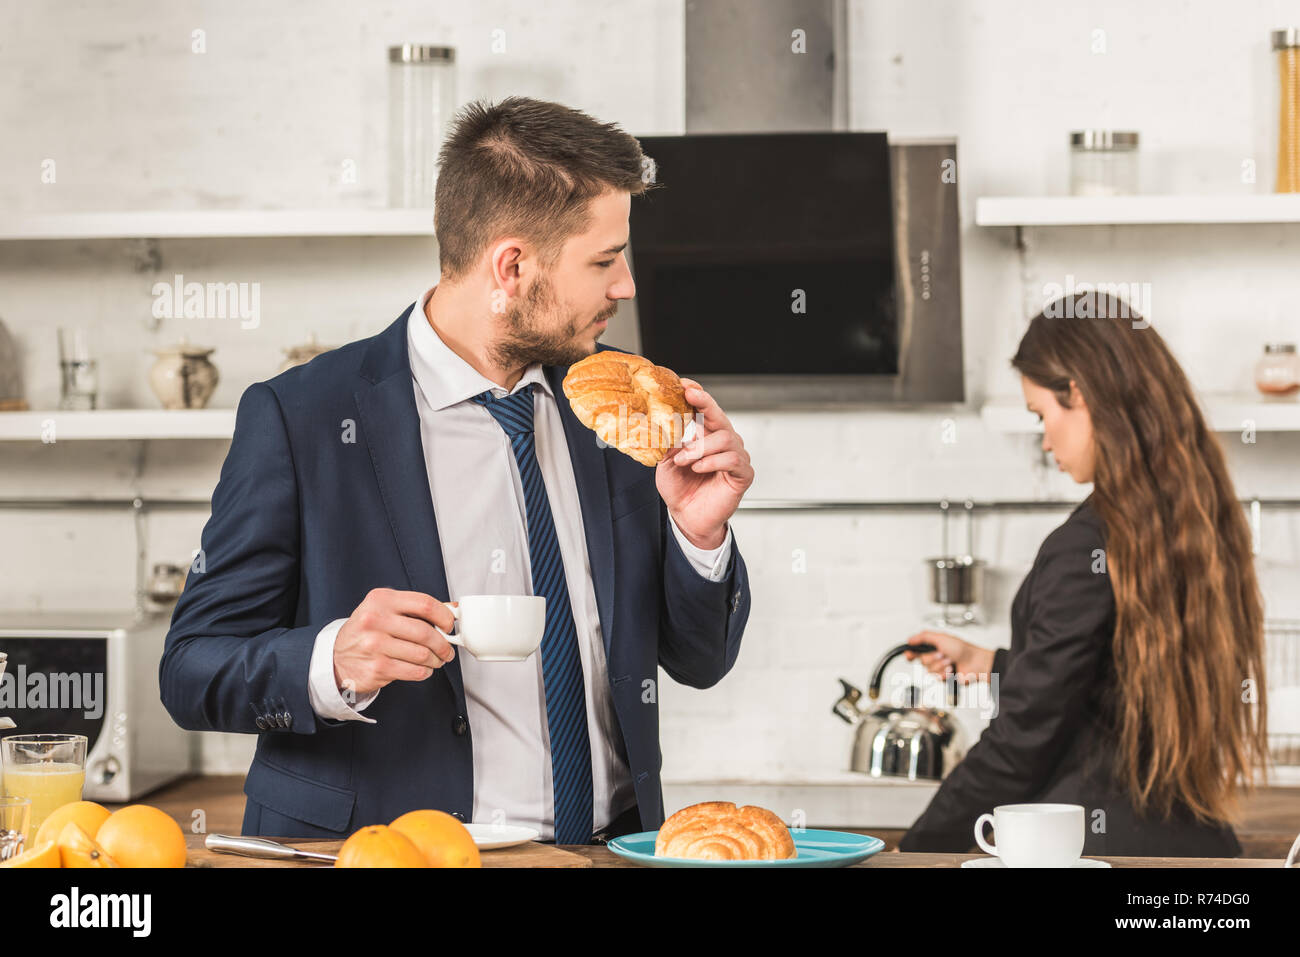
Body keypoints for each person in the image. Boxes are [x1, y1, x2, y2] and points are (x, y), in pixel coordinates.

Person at [158, 96, 755, 844]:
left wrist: (700, 536)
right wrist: (331, 660)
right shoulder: (302, 416)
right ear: (510, 266)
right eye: (604, 260)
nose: (626, 284)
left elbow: (698, 661)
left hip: (612, 852)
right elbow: (190, 669)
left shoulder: (619, 406)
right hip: (391, 856)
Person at [898, 292, 1269, 857]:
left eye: (1042, 415)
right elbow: (1108, 693)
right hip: (1195, 845)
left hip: (1094, 851)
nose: (1045, 441)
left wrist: (916, 851)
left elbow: (1024, 740)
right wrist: (993, 665)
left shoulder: (1086, 545)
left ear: (1082, 392)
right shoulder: (1195, 521)